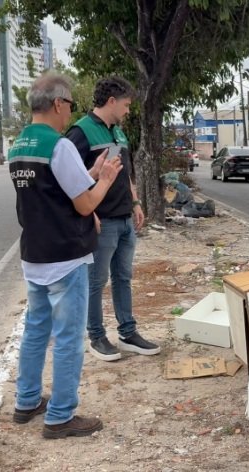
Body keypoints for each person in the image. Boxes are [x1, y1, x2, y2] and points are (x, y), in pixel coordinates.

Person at [9, 72, 123, 438]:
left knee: (36, 330)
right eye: (70, 105)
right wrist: (104, 180)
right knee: (69, 338)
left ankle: (27, 401)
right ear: (58, 103)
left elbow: (51, 190)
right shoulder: (58, 145)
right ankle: (60, 416)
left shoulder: (19, 145)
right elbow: (85, 203)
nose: (70, 113)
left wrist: (89, 172)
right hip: (65, 255)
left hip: (35, 253)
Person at [65, 76, 161, 361]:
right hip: (101, 221)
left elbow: (125, 172)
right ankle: (96, 337)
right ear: (111, 101)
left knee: (123, 278)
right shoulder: (80, 132)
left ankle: (128, 333)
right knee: (96, 281)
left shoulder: (118, 132)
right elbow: (69, 179)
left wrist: (136, 202)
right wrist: (90, 211)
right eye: (126, 104)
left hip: (125, 219)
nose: (128, 110)